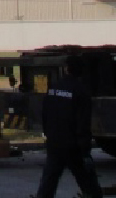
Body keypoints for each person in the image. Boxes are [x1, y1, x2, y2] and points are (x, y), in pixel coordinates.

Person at [35, 54, 102, 198]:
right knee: (88, 183)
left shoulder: (53, 88)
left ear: (66, 69)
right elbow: (83, 123)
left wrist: (49, 135)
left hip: (54, 142)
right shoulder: (81, 91)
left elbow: (45, 114)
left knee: (49, 181)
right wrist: (85, 150)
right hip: (73, 146)